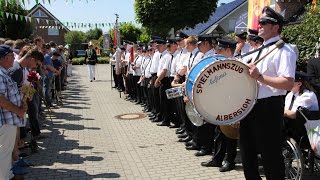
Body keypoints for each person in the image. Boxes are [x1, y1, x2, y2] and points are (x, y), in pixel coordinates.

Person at [240, 6, 296, 179]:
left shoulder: (285, 50)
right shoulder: (258, 50)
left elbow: (288, 83)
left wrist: (260, 77)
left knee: (270, 156)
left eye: (265, 22)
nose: (260, 25)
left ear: (276, 27)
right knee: (247, 154)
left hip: (269, 107)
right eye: (260, 22)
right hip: (251, 106)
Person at [201, 38, 238, 172]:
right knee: (219, 132)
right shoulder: (221, 63)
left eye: (220, 50)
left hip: (233, 104)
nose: (217, 52)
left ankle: (230, 161)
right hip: (221, 102)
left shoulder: (237, 65)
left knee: (230, 134)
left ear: (228, 50)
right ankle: (217, 159)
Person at [0, 45, 26, 180]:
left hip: (9, 119)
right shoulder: (0, 74)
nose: (13, 59)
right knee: (4, 153)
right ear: (3, 58)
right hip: (5, 121)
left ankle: (8, 174)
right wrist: (18, 110)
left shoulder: (4, 72)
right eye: (11, 57)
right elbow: (1, 99)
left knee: (6, 151)